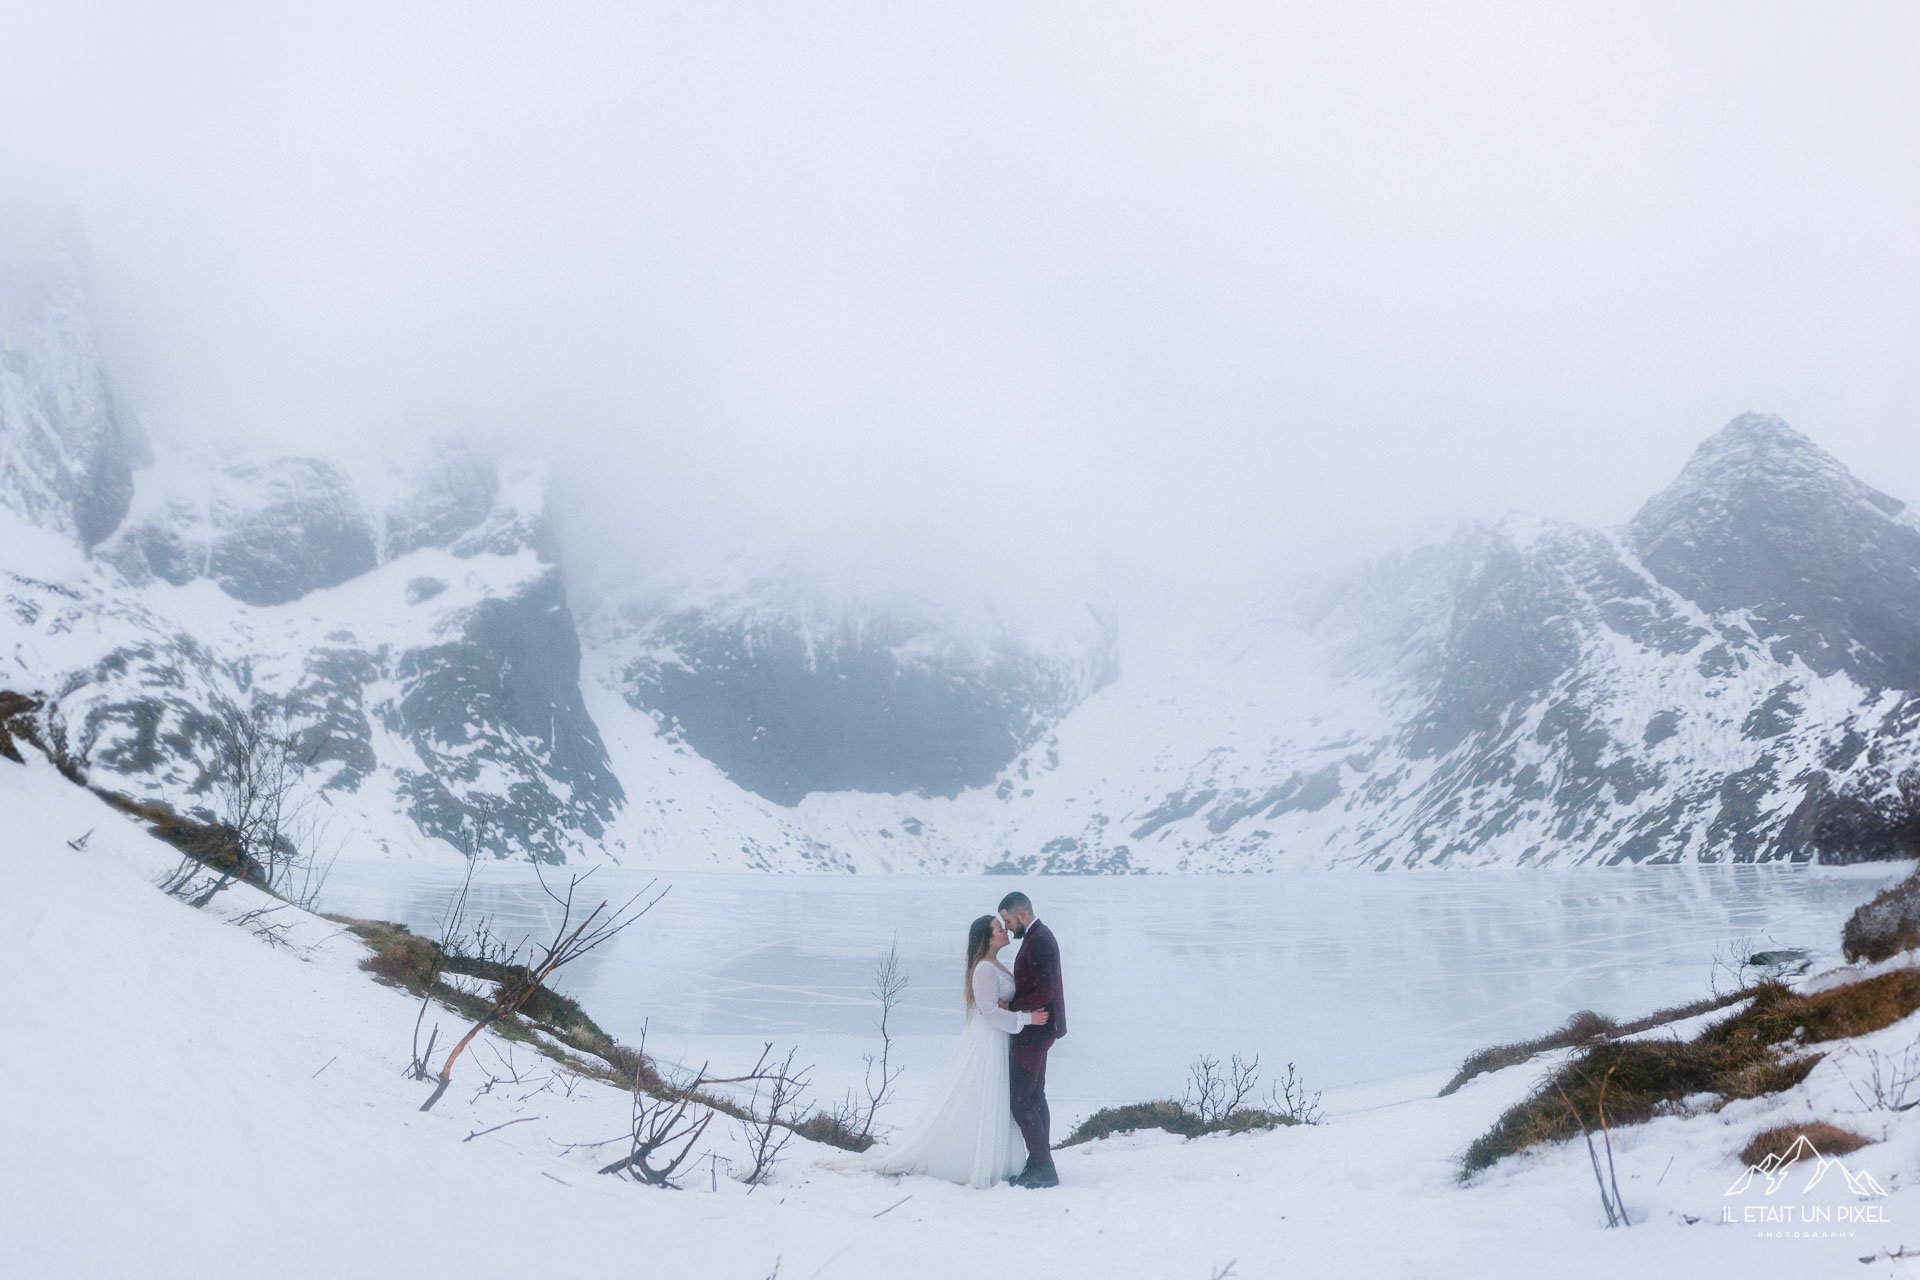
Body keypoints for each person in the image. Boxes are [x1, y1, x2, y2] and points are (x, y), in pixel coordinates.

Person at [841, 914, 1050, 1188]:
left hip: (999, 1040)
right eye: (999, 929)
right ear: (987, 940)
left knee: (995, 1098)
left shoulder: (993, 964)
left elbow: (998, 1006)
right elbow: (989, 1013)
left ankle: (999, 1157)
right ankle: (975, 1158)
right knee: (983, 1097)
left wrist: (1014, 1010)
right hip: (988, 1042)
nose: (1004, 931)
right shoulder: (985, 969)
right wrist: (1027, 1019)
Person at [999, 890, 1065, 1188]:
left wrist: (1011, 1007)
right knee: (1035, 1095)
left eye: (1008, 920)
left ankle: (1043, 1166)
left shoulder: (1038, 941)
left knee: (1020, 1099)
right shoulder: (1038, 936)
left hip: (1035, 1032)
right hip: (1041, 1030)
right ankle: (1040, 1161)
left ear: (1021, 914)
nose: (1008, 927)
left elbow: (1045, 993)